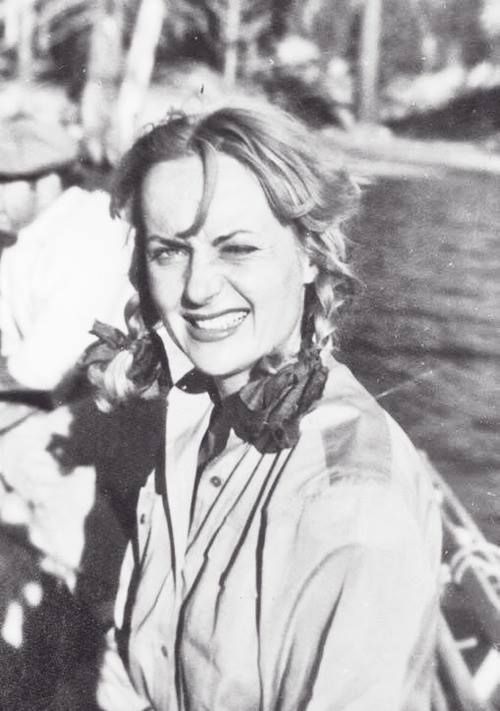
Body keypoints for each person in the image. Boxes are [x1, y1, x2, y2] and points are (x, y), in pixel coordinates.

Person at [88, 100, 442, 711]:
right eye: (170, 251)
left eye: (238, 248)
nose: (197, 289)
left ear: (309, 254)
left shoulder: (350, 507)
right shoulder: (195, 413)